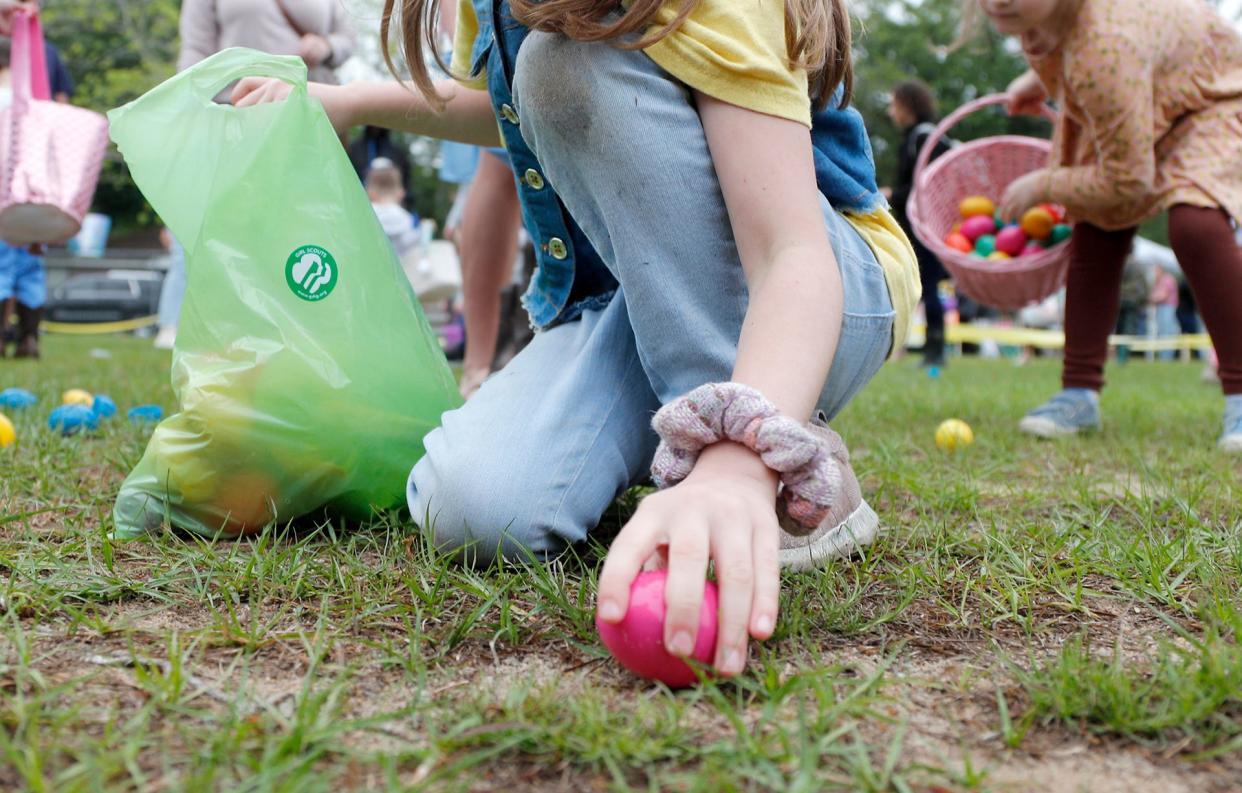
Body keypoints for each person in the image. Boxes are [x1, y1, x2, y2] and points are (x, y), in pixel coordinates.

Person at [235, 0, 918, 678]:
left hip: (826, 288)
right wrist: (353, 102)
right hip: (639, 296)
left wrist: (739, 461)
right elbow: (499, 106)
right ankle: (769, 443)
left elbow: (789, 254)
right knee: (475, 508)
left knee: (565, 62)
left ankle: (770, 462)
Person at [966, 0, 1242, 451]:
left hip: (1212, 97)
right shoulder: (1040, 17)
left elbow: (1129, 180)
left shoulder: (1107, 47)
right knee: (1096, 226)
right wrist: (1036, 78)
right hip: (1148, 89)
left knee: (1195, 222)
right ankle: (1078, 393)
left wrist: (1045, 184)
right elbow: (1065, 43)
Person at [155, 0, 356, 349]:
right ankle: (199, 328)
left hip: (304, 112)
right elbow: (195, 49)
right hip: (235, 115)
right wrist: (188, 110)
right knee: (220, 226)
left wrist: (327, 47)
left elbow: (347, 37)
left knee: (299, 227)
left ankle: (301, 330)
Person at [883, 80, 953, 366]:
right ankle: (930, 350)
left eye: (894, 104)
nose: (891, 112)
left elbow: (926, 186)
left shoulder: (924, 138)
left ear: (907, 106)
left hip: (925, 228)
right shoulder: (917, 138)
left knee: (930, 286)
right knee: (926, 286)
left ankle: (935, 352)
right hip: (921, 227)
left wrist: (892, 194)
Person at [366, 158, 421, 258]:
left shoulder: (364, 216)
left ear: (369, 192)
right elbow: (410, 243)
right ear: (401, 193)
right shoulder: (405, 218)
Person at [1147, 264, 1179, 361]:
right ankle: (1163, 356)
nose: (1154, 273)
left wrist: (1150, 299)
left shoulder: (1168, 280)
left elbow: (1162, 295)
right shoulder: (1158, 281)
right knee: (1162, 332)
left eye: (1156, 271)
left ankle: (1167, 357)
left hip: (1168, 307)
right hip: (1161, 308)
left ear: (1161, 270)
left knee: (1167, 332)